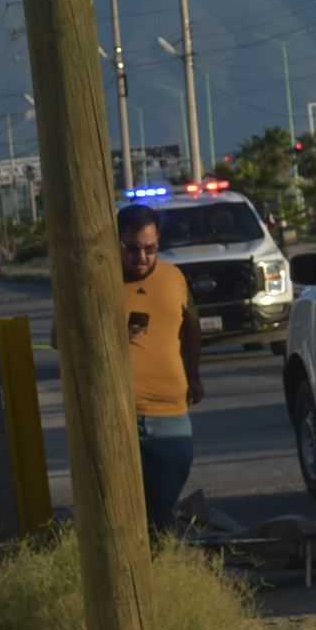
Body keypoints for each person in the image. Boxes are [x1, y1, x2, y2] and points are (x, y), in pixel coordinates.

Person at [116, 202, 203, 534]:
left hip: (171, 414)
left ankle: (163, 567)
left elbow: (191, 327)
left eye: (150, 249)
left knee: (163, 508)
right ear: (117, 244)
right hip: (122, 417)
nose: (142, 258)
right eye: (133, 249)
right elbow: (62, 339)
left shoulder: (173, 277)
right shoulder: (99, 280)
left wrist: (193, 374)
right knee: (130, 516)